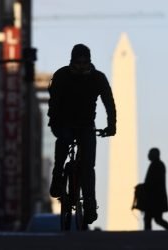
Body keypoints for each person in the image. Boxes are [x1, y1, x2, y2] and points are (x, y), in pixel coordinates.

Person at [47, 44, 116, 224]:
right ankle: (57, 176)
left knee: (88, 167)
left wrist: (111, 126)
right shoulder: (61, 76)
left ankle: (90, 205)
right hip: (65, 123)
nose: (81, 66)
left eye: (85, 62)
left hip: (86, 125)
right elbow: (53, 103)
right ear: (72, 61)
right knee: (63, 142)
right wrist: (54, 122)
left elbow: (109, 103)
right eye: (78, 62)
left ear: (90, 61)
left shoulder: (98, 78)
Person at [143, 148, 168, 230]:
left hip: (155, 198)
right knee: (156, 219)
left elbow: (152, 182)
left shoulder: (156, 165)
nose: (148, 155)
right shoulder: (158, 164)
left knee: (150, 218)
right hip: (157, 198)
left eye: (150, 153)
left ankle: (147, 236)